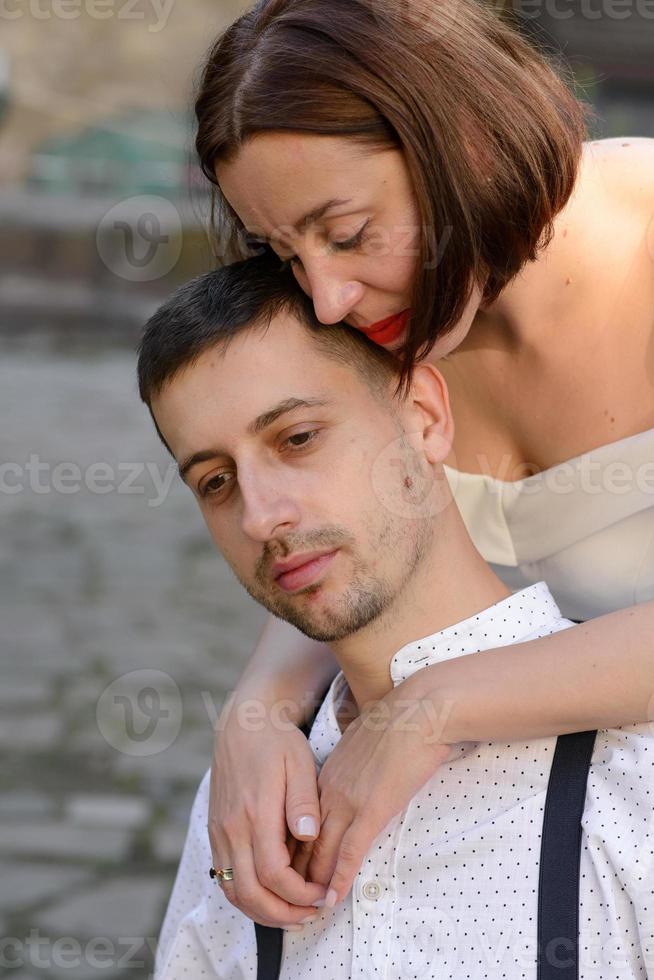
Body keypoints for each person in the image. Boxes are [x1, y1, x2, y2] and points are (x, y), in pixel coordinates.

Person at [189, 0, 654, 926]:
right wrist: (258, 714)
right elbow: (363, 535)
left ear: (464, 145)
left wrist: (432, 706)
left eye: (349, 233)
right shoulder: (392, 319)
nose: (325, 301)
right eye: (285, 252)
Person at [138, 255, 653, 978]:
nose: (259, 516)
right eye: (215, 482)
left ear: (425, 417)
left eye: (297, 439)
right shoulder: (247, 798)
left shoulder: (632, 777)